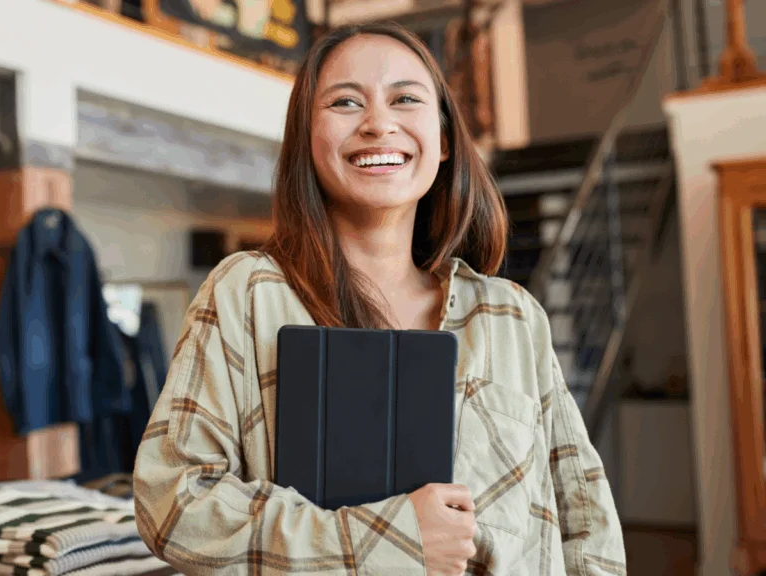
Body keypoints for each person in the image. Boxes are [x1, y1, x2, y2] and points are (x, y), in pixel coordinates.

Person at [133, 21, 626, 576]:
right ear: (308, 141)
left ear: (442, 140)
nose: (378, 123)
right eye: (345, 102)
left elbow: (584, 515)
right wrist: (387, 541)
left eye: (405, 99)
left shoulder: (511, 314)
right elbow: (172, 501)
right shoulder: (247, 295)